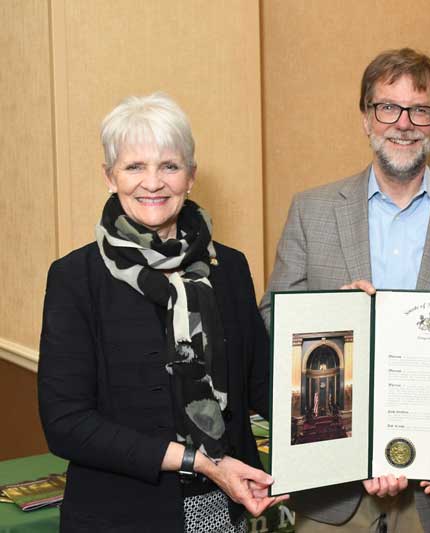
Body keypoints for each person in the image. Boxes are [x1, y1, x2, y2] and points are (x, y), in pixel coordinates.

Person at [259, 48, 430, 532]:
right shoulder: (311, 211)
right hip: (333, 493)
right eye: (387, 107)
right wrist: (332, 315)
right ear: (366, 117)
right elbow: (273, 323)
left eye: (420, 110)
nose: (402, 123)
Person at [38, 93, 287, 532]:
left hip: (223, 507)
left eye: (169, 166)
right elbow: (66, 424)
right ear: (109, 176)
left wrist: (340, 325)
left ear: (190, 176)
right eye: (134, 166)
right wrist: (199, 461)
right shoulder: (76, 277)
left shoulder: (229, 268)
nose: (153, 183)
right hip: (119, 515)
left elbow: (265, 385)